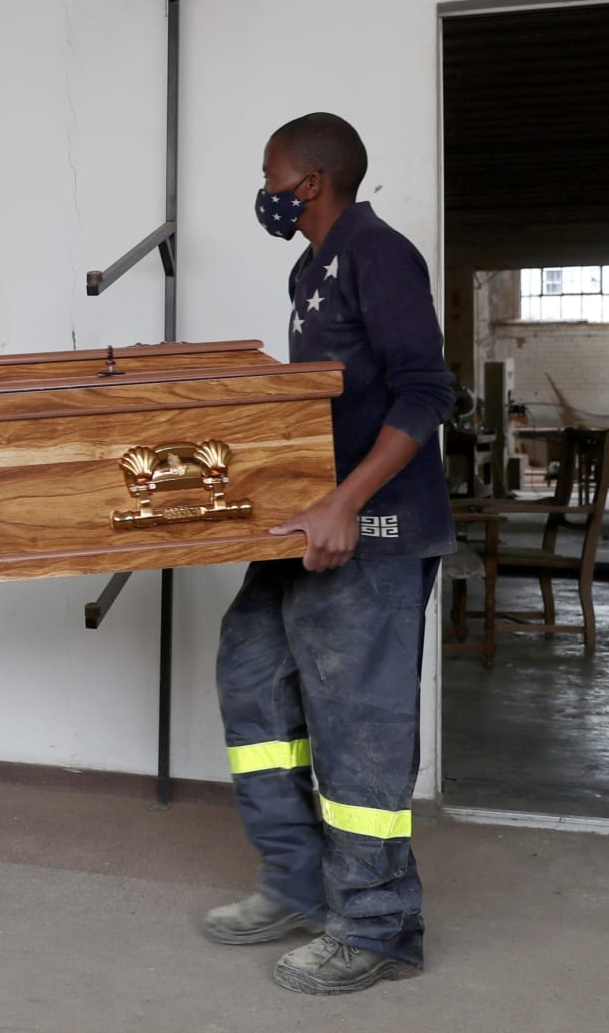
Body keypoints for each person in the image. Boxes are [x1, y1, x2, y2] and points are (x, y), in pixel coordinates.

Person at [201, 112, 454, 996]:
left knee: (359, 730)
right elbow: (327, 404)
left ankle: (380, 928)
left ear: (308, 182)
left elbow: (428, 390)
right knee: (252, 679)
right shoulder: (311, 266)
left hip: (370, 533)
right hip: (303, 525)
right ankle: (299, 887)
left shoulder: (378, 253)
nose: (264, 189)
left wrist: (346, 502)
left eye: (271, 173)